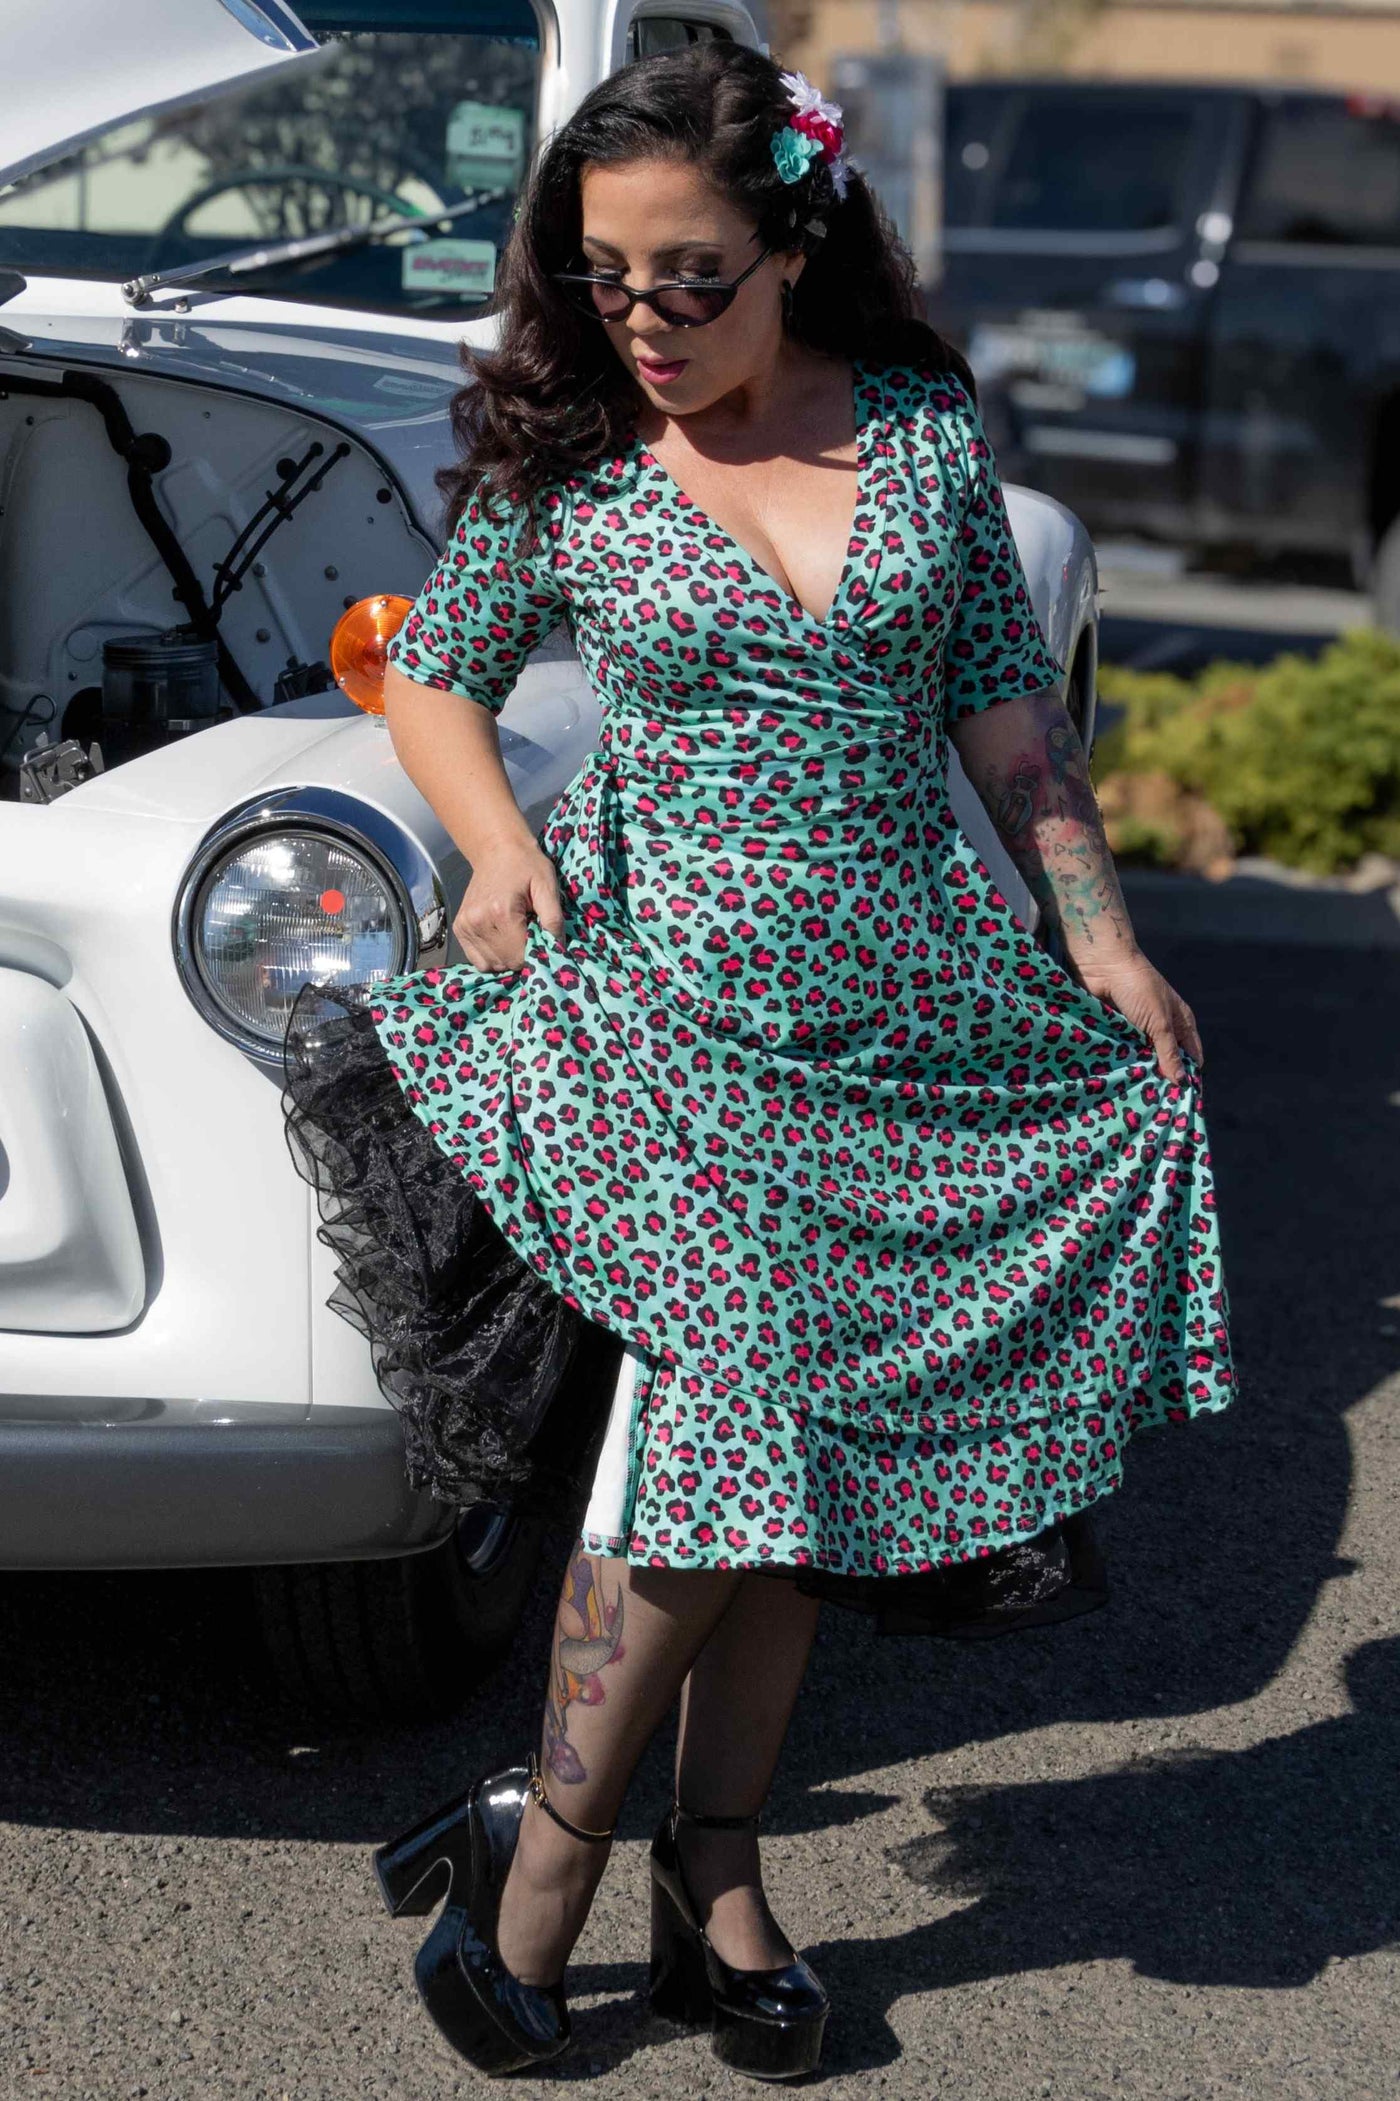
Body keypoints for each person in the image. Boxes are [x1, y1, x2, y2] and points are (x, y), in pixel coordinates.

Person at [280, 40, 1236, 2082]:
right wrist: (508, 842)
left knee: (814, 1452)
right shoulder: (574, 457)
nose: (645, 318)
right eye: (606, 276)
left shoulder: (914, 428)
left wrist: (1108, 939)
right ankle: (538, 1868)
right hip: (662, 1011)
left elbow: (999, 705)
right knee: (713, 1450)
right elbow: (434, 677)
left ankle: (712, 1884)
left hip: (901, 1004)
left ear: (793, 241)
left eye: (691, 275)